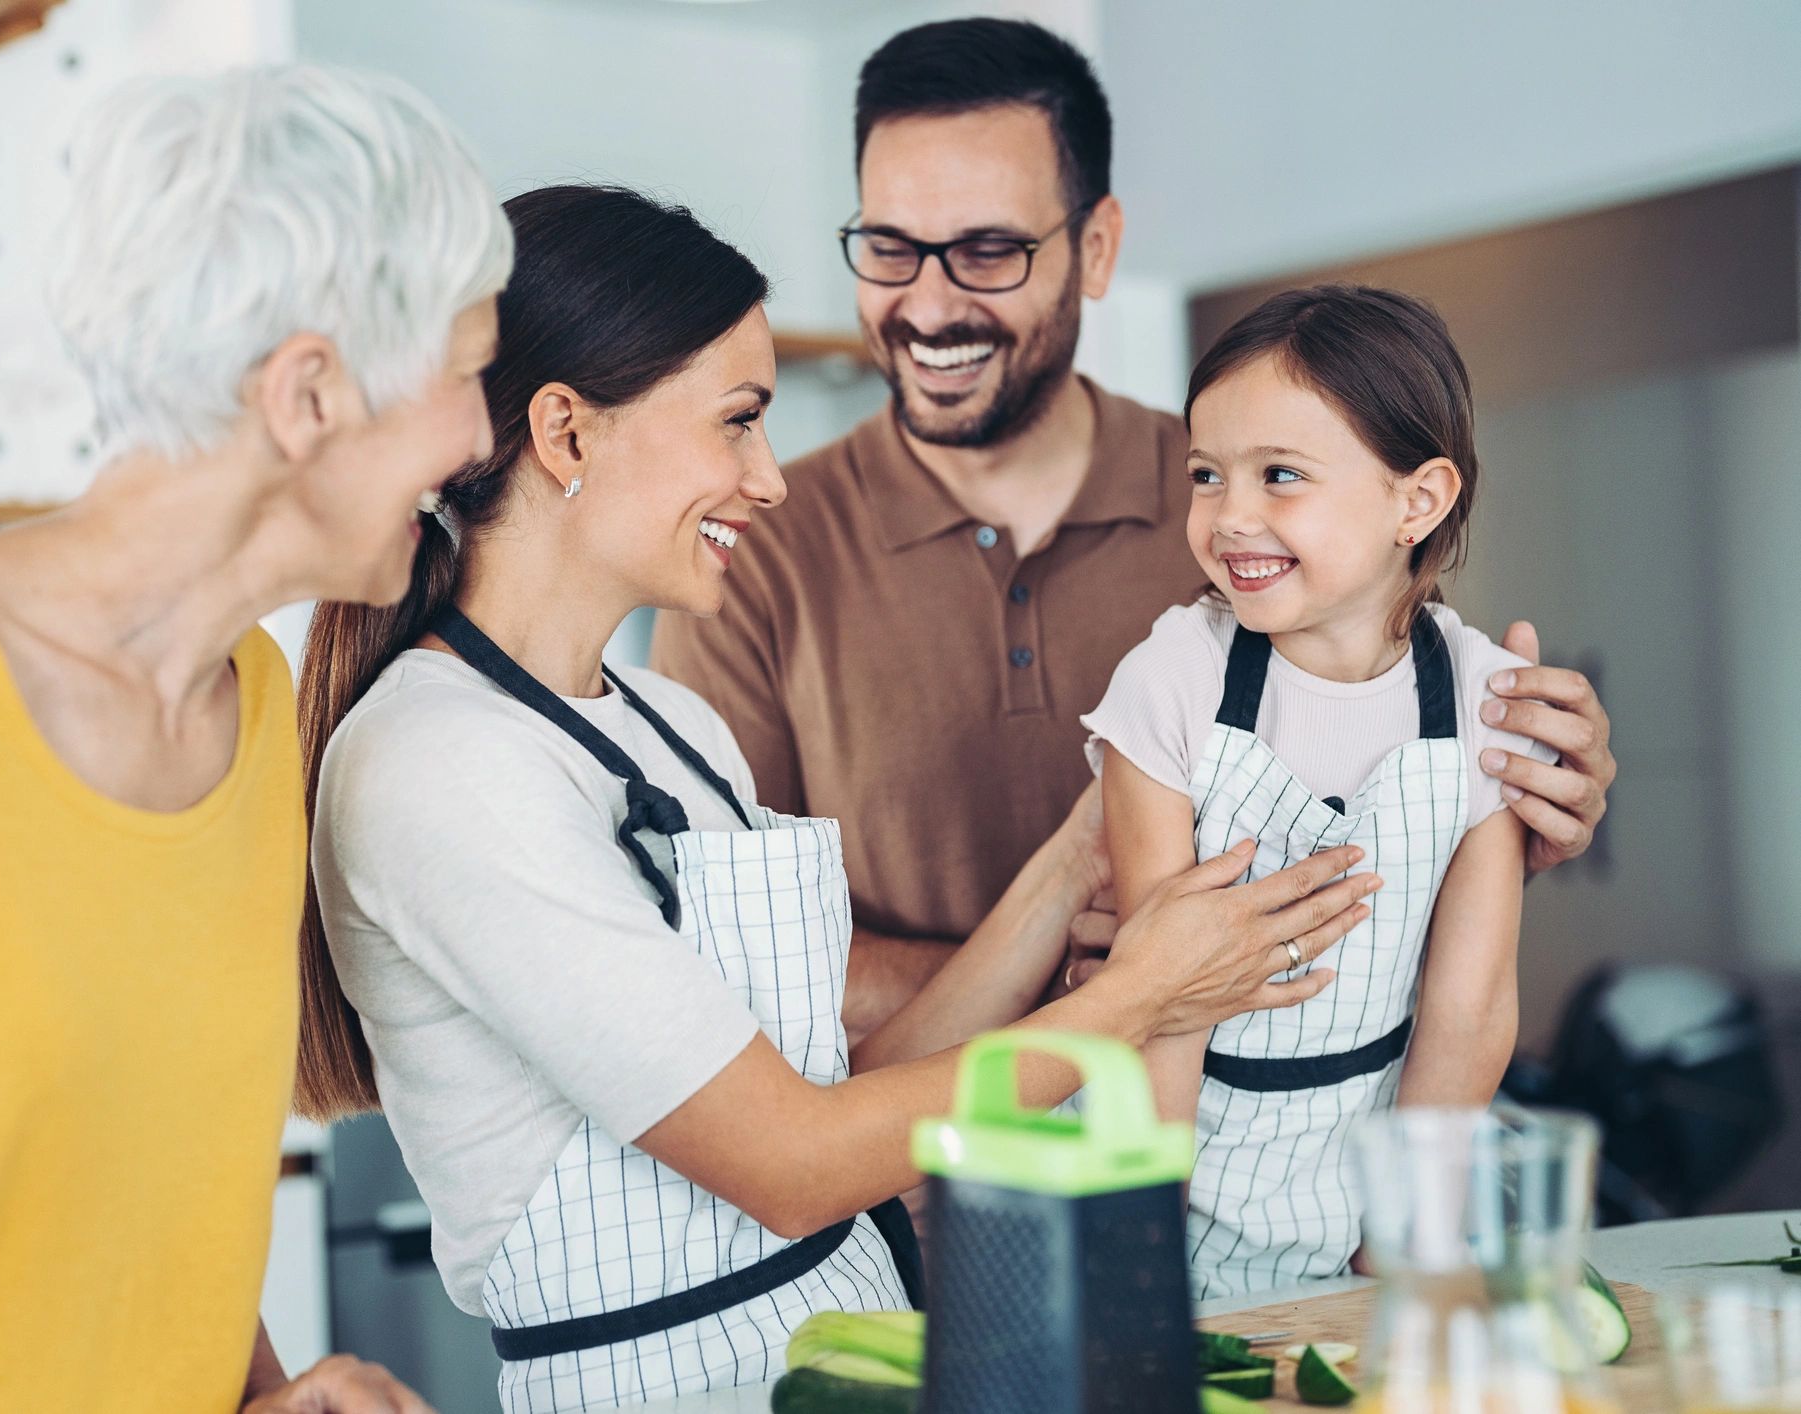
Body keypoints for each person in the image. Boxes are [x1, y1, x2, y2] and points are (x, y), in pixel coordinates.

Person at [298, 183, 1383, 1414]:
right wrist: (1145, 993)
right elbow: (793, 1161)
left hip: (861, 1348)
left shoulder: (667, 723)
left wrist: (1085, 851)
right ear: (568, 434)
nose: (768, 480)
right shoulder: (440, 764)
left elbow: (846, 1092)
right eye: (738, 422)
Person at [0, 66, 508, 1413]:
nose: (481, 439)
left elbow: (110, 1184)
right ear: (306, 395)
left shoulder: (244, 720)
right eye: (469, 373)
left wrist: (258, 1392)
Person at [650, 17, 1618, 1038]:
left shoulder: (1261, 519)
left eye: (988, 250)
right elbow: (721, 950)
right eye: (890, 248)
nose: (927, 307)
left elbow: (1390, 864)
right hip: (910, 1183)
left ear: (1098, 247)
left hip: (1237, 1150)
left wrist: (1519, 817)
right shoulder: (751, 546)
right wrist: (1100, 984)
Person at [1085, 285, 1550, 1299]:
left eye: (1279, 475)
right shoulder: (1171, 682)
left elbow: (1468, 1008)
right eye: (1207, 475)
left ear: (1416, 501)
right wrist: (1144, 1248)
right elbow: (1158, 1006)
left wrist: (1405, 1229)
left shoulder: (1484, 703)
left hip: (1372, 1161)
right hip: (1168, 1165)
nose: (1229, 515)